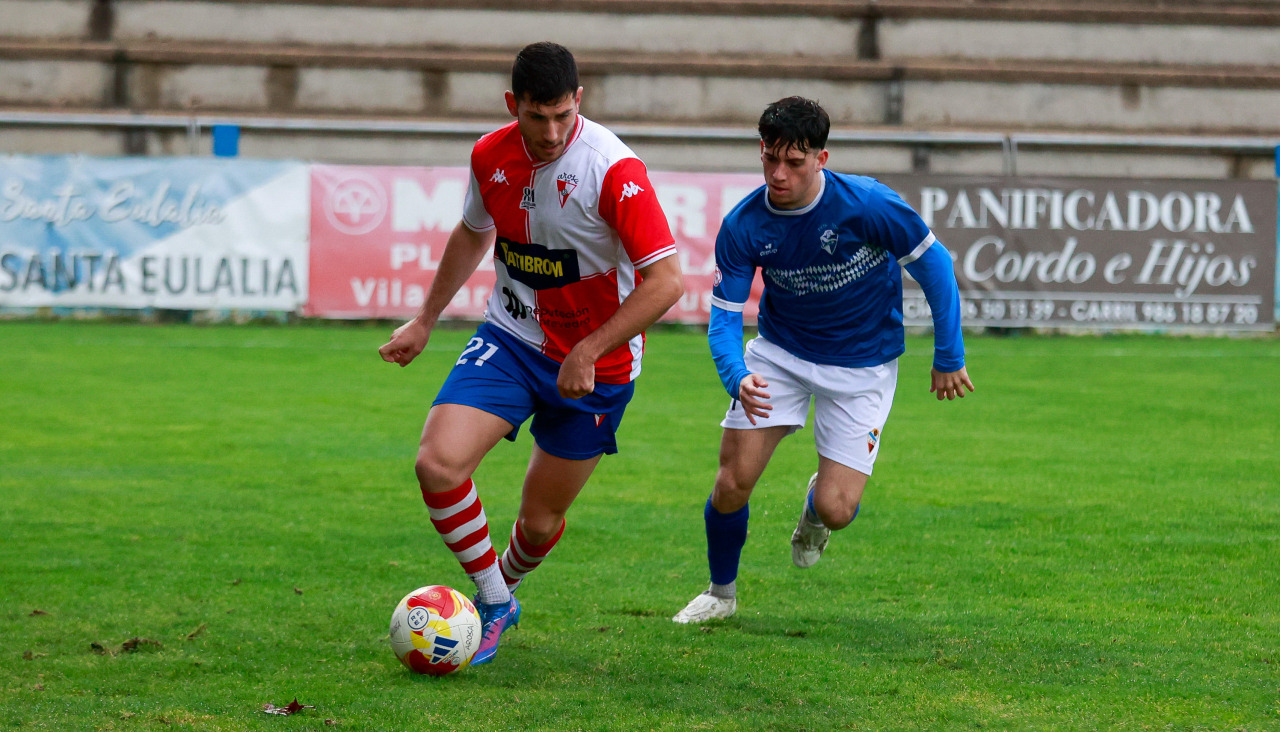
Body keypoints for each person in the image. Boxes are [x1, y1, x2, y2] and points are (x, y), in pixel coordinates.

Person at [379, 41, 683, 663]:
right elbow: (473, 231)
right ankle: (493, 602)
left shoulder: (614, 171)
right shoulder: (489, 155)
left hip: (600, 366)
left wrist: (591, 348)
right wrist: (426, 318)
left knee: (539, 524)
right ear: (512, 105)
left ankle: (498, 596)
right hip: (512, 339)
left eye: (562, 117)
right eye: (536, 117)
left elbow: (668, 282)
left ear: (580, 101)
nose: (550, 133)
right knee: (437, 465)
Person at [672, 96, 973, 624]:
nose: (779, 174)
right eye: (770, 159)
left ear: (822, 159)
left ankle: (814, 512)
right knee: (730, 483)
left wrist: (949, 353)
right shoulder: (744, 225)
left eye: (794, 161)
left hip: (863, 366)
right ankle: (721, 593)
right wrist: (736, 374)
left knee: (838, 509)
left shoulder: (867, 205)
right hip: (781, 355)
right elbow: (723, 318)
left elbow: (937, 265)